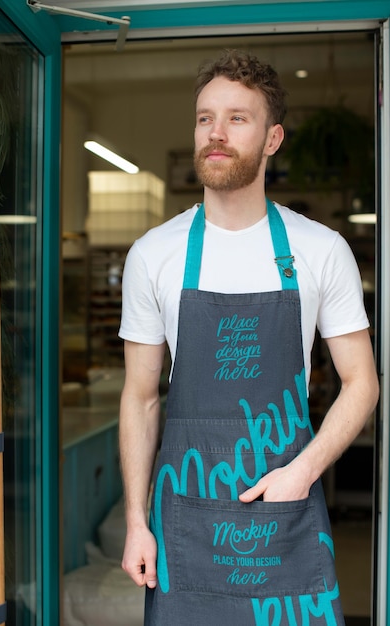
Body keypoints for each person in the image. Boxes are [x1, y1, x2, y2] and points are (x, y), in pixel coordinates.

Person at [118, 49, 379, 625]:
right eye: (206, 117)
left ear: (272, 138)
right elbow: (140, 396)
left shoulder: (319, 250)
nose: (216, 132)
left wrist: (302, 473)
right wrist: (138, 521)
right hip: (184, 521)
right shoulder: (154, 255)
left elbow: (362, 382)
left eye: (238, 118)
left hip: (285, 511)